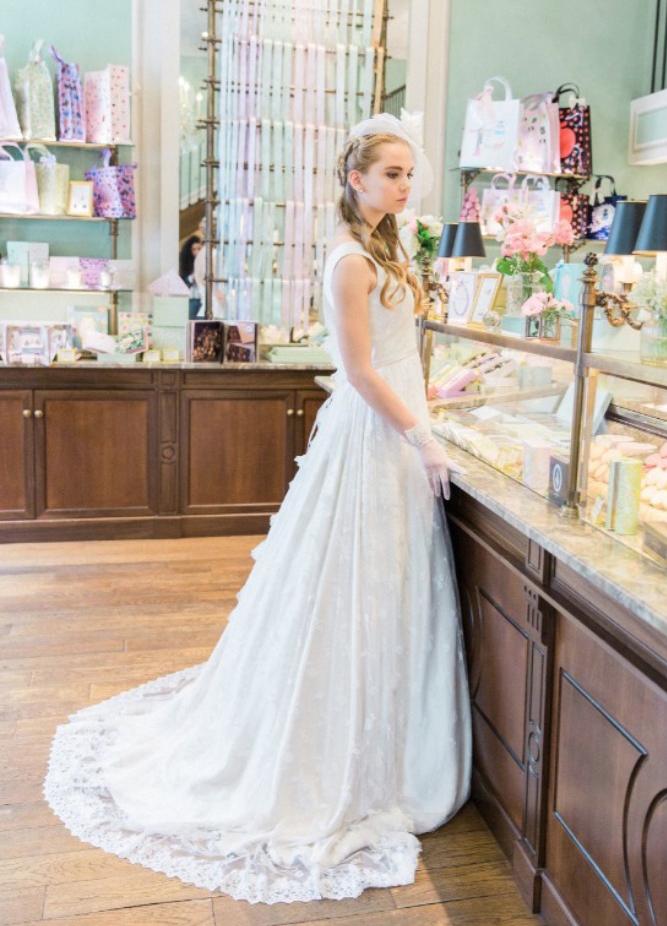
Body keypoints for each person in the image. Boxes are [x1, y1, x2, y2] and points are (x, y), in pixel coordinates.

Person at [44, 113, 471, 905]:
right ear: (357, 178)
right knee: (344, 583)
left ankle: (393, 733)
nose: (406, 186)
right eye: (392, 174)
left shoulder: (387, 246)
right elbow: (358, 368)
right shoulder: (349, 259)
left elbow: (398, 353)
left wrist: (432, 400)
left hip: (401, 424)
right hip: (375, 437)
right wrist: (421, 434)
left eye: (411, 173)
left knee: (387, 584)